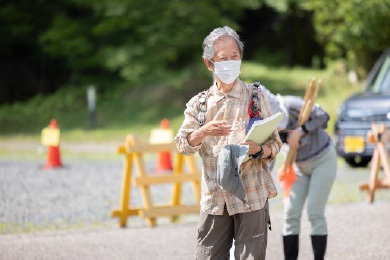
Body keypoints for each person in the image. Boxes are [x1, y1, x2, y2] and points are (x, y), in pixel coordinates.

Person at [174, 26, 282, 259]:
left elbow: (275, 144)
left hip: (251, 195)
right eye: (223, 58)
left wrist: (258, 150)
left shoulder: (256, 96)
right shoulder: (199, 104)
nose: (230, 63)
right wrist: (203, 131)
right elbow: (182, 144)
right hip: (214, 198)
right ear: (209, 63)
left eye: (235, 57)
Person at [260, 90, 337, 260]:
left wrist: (300, 131)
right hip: (297, 166)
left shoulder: (290, 103)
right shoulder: (263, 123)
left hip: (322, 160)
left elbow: (323, 116)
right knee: (290, 214)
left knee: (314, 212)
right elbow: (269, 156)